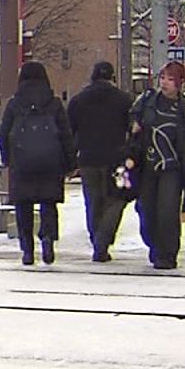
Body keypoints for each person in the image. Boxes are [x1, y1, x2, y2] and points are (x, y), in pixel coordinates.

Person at [125, 61, 185, 271]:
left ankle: (167, 254)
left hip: (173, 169)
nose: (165, 83)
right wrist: (134, 130)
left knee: (168, 211)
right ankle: (154, 244)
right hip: (147, 165)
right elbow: (131, 121)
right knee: (146, 210)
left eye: (170, 80)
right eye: (163, 78)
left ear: (180, 84)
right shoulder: (147, 103)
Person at [0, 61, 74, 266]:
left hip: (22, 164)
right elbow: (66, 136)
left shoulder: (15, 104)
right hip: (51, 163)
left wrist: (7, 159)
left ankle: (27, 248)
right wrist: (69, 163)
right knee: (48, 203)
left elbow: (3, 134)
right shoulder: (54, 103)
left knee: (24, 205)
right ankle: (48, 239)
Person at [66, 60, 133, 262]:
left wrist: (71, 162)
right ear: (113, 77)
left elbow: (70, 133)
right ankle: (103, 238)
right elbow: (133, 131)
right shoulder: (125, 100)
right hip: (118, 161)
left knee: (93, 202)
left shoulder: (78, 101)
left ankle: (97, 239)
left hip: (88, 160)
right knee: (118, 198)